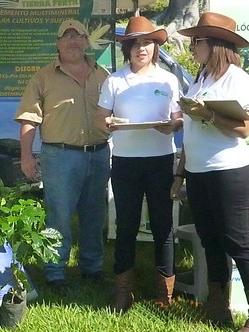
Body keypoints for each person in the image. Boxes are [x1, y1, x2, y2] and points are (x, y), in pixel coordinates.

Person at [94, 15, 183, 312]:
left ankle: (165, 293)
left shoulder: (168, 79)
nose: (141, 49)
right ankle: (123, 292)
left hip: (160, 160)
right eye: (135, 44)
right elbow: (100, 118)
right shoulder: (115, 80)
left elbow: (177, 117)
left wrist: (173, 125)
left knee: (163, 225)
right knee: (126, 226)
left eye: (147, 43)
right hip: (125, 163)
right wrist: (109, 123)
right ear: (127, 49)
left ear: (155, 48)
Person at [14, 19, 110, 290]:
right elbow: (29, 120)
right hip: (60, 156)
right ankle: (55, 272)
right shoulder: (42, 78)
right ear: (57, 43)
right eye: (66, 36)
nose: (73, 41)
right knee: (58, 216)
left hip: (99, 154)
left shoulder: (102, 74)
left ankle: (92, 268)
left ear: (86, 41)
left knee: (94, 215)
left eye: (78, 35)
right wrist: (26, 156)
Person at [172, 12, 249, 330]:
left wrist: (208, 116)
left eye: (196, 42)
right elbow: (191, 133)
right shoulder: (201, 78)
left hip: (229, 172)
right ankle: (218, 306)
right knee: (211, 240)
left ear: (214, 44)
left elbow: (245, 129)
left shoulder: (238, 79)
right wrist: (180, 173)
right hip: (198, 173)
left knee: (240, 242)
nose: (191, 48)